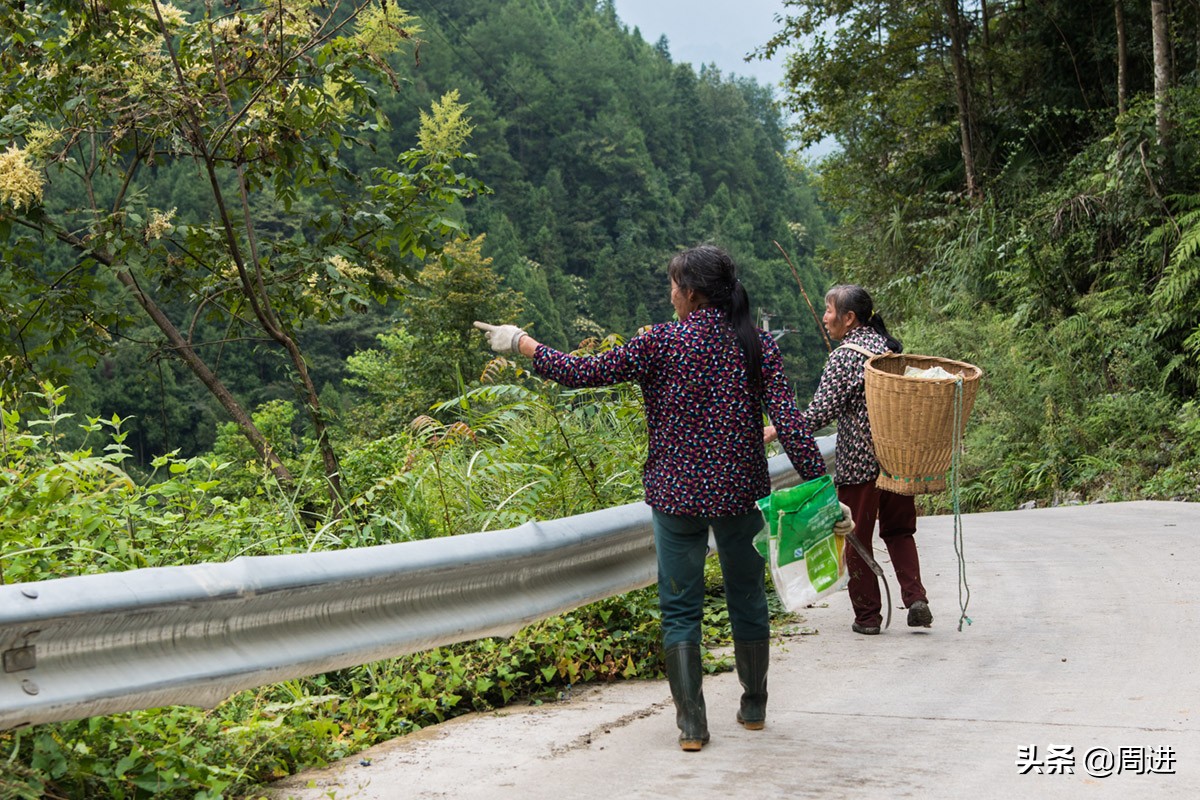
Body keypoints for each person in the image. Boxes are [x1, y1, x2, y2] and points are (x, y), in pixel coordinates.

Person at [474, 245, 849, 752]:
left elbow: (582, 373)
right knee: (747, 595)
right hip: (740, 492)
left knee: (679, 606)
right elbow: (790, 426)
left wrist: (521, 343)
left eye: (673, 286)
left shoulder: (660, 342)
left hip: (675, 497)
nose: (670, 294)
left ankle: (692, 725)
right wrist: (827, 494)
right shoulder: (756, 343)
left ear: (691, 293)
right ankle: (754, 705)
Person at [766, 284, 932, 636]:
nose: (826, 318)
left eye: (829, 310)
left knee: (855, 537)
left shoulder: (845, 356)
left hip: (861, 465)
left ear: (849, 317)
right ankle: (916, 598)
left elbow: (821, 412)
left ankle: (868, 617)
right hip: (897, 460)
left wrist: (777, 429)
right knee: (900, 531)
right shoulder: (890, 350)